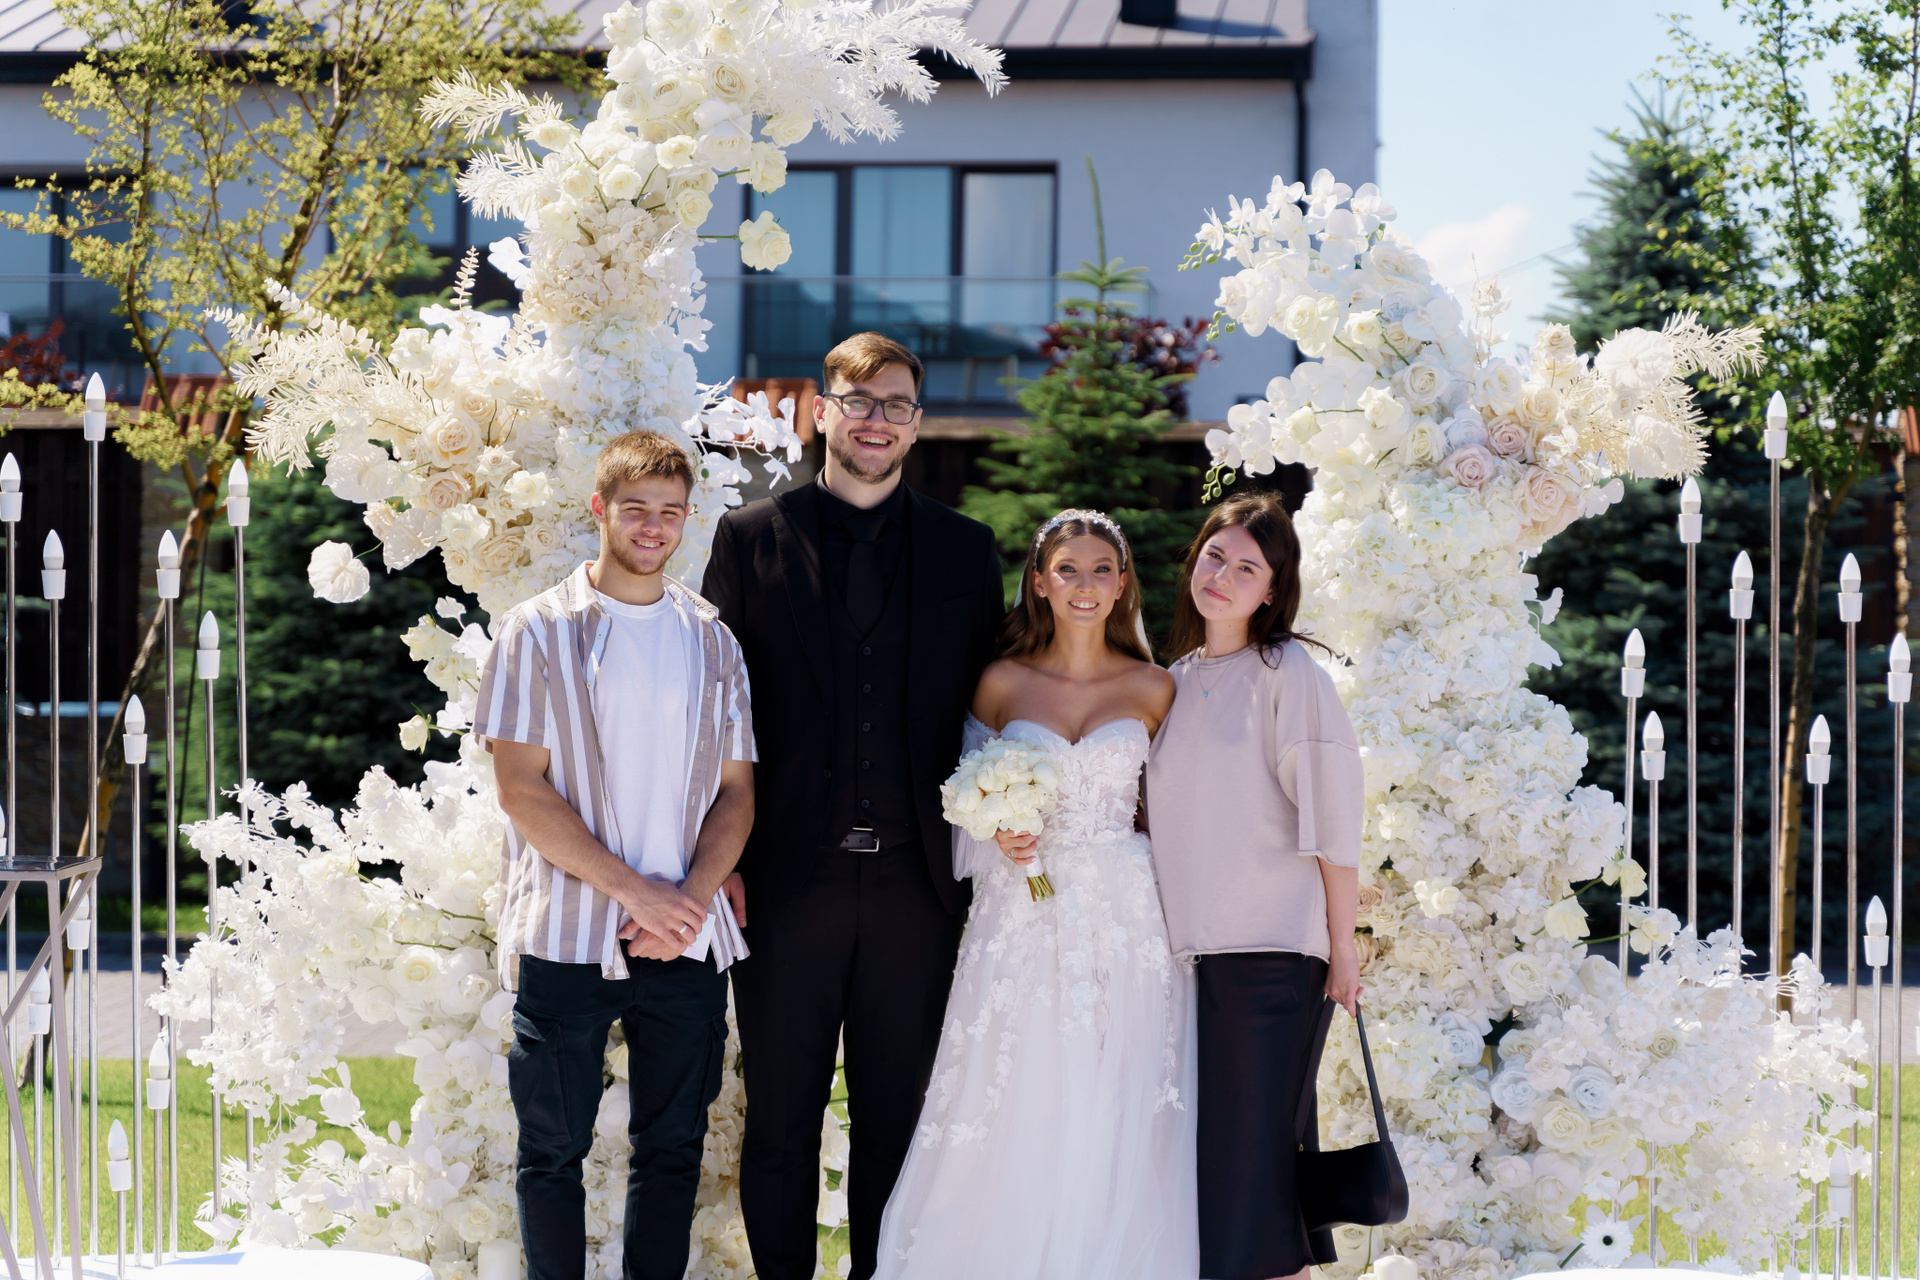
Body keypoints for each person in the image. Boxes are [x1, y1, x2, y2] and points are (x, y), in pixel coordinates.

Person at [699, 332, 1006, 1280]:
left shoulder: (967, 550)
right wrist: (719, 862)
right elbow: (714, 716)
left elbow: (994, 708)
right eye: (860, 402)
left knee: (897, 1126)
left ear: (917, 423)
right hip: (786, 885)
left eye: (897, 405)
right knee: (780, 1122)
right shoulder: (748, 539)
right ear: (822, 411)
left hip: (921, 888)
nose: (878, 420)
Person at [873, 509, 1198, 1280]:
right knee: (1019, 1084)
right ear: (1041, 583)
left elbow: (1178, 814)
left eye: (1101, 569)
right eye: (1068, 569)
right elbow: (963, 802)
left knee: (1121, 1087)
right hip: (1022, 909)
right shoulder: (1000, 683)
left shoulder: (1157, 687)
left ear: (1122, 584)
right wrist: (997, 834)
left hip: (1127, 916)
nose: (1085, 584)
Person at [475, 430, 757, 1280]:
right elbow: (521, 790)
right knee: (550, 1153)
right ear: (599, 508)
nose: (652, 526)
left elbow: (737, 793)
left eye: (670, 511)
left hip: (685, 938)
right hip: (568, 934)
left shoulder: (713, 641)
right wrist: (642, 896)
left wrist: (687, 902)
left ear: (687, 520)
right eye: (635, 508)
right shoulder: (535, 632)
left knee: (672, 1152)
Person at [1144, 489, 1365, 1280]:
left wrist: (1343, 948)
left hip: (1270, 956)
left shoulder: (1288, 672)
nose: (1223, 576)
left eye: (1247, 568)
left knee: (1255, 1174)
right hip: (1186, 963)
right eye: (1215, 556)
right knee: (1213, 1175)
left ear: (1272, 590)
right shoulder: (1171, 682)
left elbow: (1333, 821)